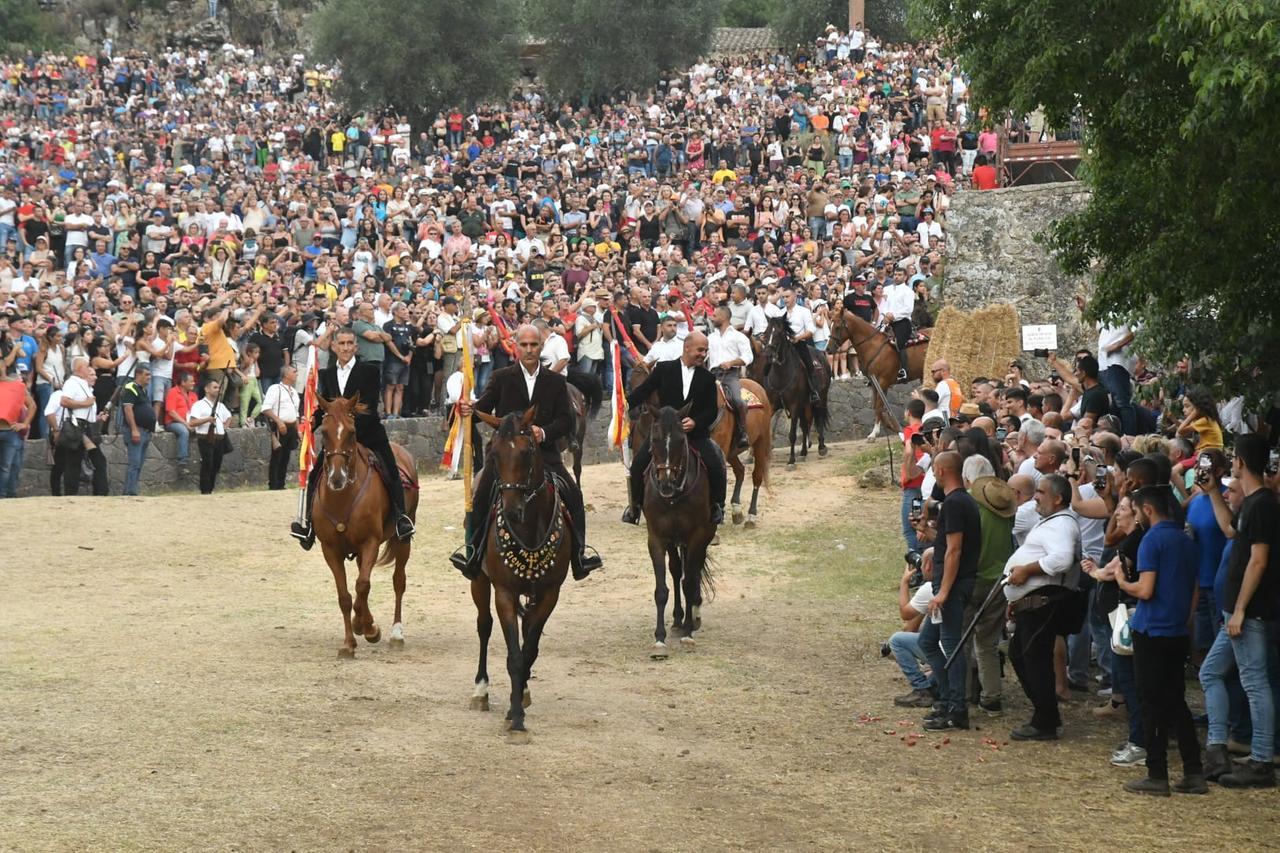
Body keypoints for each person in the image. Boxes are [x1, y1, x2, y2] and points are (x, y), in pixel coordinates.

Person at [449, 324, 602, 581]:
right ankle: (473, 553)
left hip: (545, 457)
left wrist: (545, 433)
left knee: (574, 495)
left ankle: (579, 556)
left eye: (534, 345)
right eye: (524, 345)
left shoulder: (555, 381)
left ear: (541, 347)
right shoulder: (501, 377)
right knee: (480, 496)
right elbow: (483, 409)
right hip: (505, 459)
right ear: (515, 347)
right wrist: (467, 410)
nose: (529, 350)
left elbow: (566, 421)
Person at [1116, 485, 1206, 796]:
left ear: (1148, 509)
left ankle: (1157, 773)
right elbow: (1194, 590)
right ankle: (1193, 769)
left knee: (1150, 702)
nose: (1137, 516)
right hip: (1177, 629)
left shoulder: (1152, 539)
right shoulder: (1186, 539)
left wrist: (1121, 580)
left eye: (1137, 510)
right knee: (1176, 701)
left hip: (1151, 629)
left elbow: (1145, 590)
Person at [1200, 434, 1278, 788]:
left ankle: (1261, 759)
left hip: (1249, 613)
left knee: (1254, 682)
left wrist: (1241, 610)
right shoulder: (1252, 504)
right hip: (1238, 611)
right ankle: (1216, 747)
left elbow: (1258, 561)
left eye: (1233, 459)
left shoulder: (1263, 504)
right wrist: (1214, 491)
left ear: (1241, 463)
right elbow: (1231, 530)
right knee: (1210, 672)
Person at [291, 328, 415, 547]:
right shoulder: (327, 374)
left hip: (368, 433)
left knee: (391, 470)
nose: (346, 348)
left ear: (356, 347)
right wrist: (310, 425)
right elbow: (325, 408)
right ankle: (309, 525)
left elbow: (367, 405)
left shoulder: (369, 370)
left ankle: (401, 518)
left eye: (350, 343)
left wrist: (349, 429)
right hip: (338, 439)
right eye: (342, 343)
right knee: (315, 475)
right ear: (334, 346)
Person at [1003, 474, 1081, 740]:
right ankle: (1044, 712)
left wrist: (1027, 570)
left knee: (1034, 659)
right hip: (1033, 603)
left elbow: (1061, 560)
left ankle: (1045, 719)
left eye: (1041, 492)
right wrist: (1017, 598)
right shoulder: (1053, 522)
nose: (1036, 496)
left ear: (1057, 498)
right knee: (1021, 655)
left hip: (1045, 602)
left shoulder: (1061, 525)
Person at [622, 331, 728, 526]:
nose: (703, 354)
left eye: (705, 350)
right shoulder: (663, 369)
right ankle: (635, 507)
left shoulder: (707, 377)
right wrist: (625, 406)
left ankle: (717, 506)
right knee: (638, 465)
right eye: (700, 349)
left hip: (694, 434)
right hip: (665, 433)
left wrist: (695, 422)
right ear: (687, 348)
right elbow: (643, 391)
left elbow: (711, 410)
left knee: (716, 465)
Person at [917, 450, 982, 731]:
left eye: (934, 469)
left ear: (942, 471)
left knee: (951, 646)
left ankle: (957, 708)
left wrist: (943, 592)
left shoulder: (955, 504)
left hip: (953, 588)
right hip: (949, 584)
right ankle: (945, 698)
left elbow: (955, 550)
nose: (933, 474)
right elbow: (948, 545)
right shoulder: (960, 503)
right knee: (927, 641)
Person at [964, 455, 1016, 714]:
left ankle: (962, 693)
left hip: (973, 581)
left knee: (962, 640)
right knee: (987, 642)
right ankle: (991, 697)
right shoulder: (1004, 510)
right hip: (999, 582)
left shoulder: (971, 508)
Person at [56, 356, 109, 495]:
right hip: (79, 427)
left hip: (86, 426)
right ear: (80, 368)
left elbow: (86, 409)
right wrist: (85, 403)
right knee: (84, 461)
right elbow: (64, 401)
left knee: (76, 461)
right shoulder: (72, 383)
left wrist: (96, 417)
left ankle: (77, 493)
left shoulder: (83, 384)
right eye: (87, 366)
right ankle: (98, 492)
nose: (89, 369)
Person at [764, 283, 824, 403]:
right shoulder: (779, 313)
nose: (785, 299)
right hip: (781, 347)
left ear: (794, 297)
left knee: (809, 364)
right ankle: (767, 390)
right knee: (767, 363)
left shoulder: (804, 311)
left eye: (787, 297)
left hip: (799, 344)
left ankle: (813, 392)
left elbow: (811, 330)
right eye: (783, 297)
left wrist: (798, 337)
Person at [707, 304, 753, 451]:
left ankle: (742, 433)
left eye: (715, 315)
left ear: (724, 317)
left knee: (738, 400)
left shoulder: (738, 336)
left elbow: (748, 356)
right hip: (711, 374)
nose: (712, 318)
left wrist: (732, 362)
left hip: (730, 375)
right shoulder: (710, 337)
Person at [188, 379, 233, 495]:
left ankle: (211, 488)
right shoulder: (199, 405)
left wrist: (225, 427)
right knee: (207, 463)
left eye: (218, 387)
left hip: (219, 438)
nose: (218, 390)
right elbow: (192, 422)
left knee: (216, 464)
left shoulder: (220, 405)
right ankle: (205, 489)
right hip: (205, 438)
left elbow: (228, 417)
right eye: (215, 387)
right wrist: (207, 419)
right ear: (206, 389)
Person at [261, 365, 301, 491]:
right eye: (294, 371)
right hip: (280, 426)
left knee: (286, 457)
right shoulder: (275, 389)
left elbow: (296, 413)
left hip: (291, 427)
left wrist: (298, 429)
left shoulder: (294, 392)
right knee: (277, 456)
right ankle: (273, 485)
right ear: (286, 374)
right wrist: (279, 422)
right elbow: (266, 408)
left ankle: (281, 484)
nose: (296, 374)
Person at [119, 364, 155, 496]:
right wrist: (134, 429)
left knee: (138, 463)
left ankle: (131, 490)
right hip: (136, 430)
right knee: (134, 463)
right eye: (146, 375)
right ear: (138, 375)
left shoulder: (142, 390)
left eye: (150, 375)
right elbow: (128, 409)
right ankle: (130, 492)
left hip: (145, 431)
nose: (149, 378)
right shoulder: (131, 388)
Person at [882, 268, 915, 381]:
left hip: (902, 322)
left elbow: (908, 309)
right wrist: (886, 314)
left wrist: (893, 315)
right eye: (895, 274)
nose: (896, 277)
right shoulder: (886, 289)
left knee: (899, 343)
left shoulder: (908, 291)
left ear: (905, 277)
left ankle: (903, 370)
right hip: (886, 320)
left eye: (899, 275)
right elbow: (883, 305)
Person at [164, 371, 197, 464]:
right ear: (183, 382)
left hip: (190, 422)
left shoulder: (193, 395)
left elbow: (197, 413)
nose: (194, 383)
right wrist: (186, 424)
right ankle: (182, 459)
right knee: (184, 431)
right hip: (173, 423)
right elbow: (171, 412)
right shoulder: (173, 392)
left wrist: (195, 424)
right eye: (191, 381)